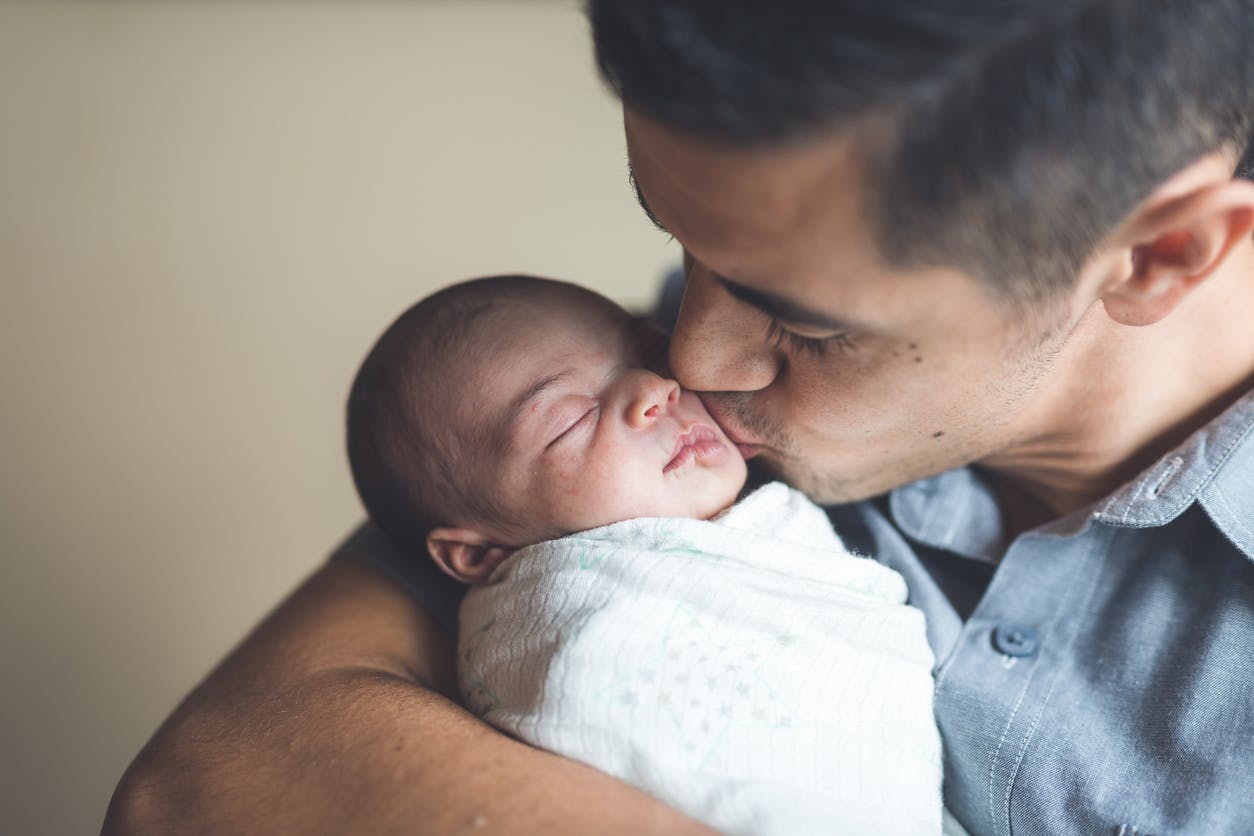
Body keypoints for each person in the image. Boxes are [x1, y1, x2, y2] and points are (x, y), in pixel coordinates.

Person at [105, 1, 1254, 833]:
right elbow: (208, 778)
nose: (692, 354)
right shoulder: (638, 420)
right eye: (681, 245)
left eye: (802, 318)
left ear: (1161, 254)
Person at [344, 274, 942, 835]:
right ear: (476, 555)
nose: (658, 389)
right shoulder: (553, 617)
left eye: (652, 357)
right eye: (570, 420)